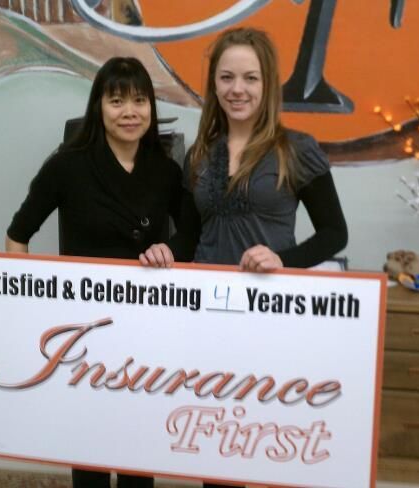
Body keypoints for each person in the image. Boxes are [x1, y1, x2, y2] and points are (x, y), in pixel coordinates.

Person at [140, 27, 348, 487]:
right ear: (214, 84)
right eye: (227, 77)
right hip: (206, 315)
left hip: (267, 315)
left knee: (262, 439)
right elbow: (190, 236)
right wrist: (165, 249)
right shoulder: (199, 155)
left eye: (250, 78)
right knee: (216, 439)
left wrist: (283, 261)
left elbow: (335, 233)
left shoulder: (296, 150)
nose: (238, 89)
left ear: (267, 84)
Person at [6, 56, 184, 488]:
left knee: (138, 442)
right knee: (89, 441)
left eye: (139, 101)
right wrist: (24, 307)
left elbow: (192, 232)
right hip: (82, 329)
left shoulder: (165, 169)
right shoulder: (67, 165)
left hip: (145, 325)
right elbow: (18, 235)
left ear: (151, 108)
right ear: (98, 107)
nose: (129, 112)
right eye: (116, 101)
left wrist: (171, 249)